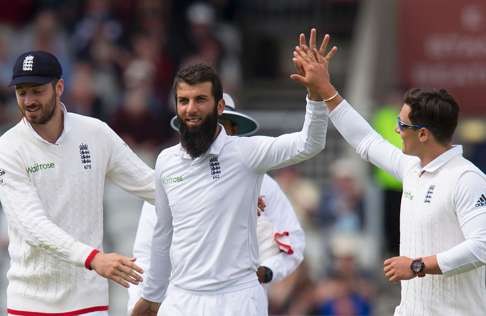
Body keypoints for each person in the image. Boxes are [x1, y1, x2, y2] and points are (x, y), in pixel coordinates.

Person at [132, 35, 336, 315]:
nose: (191, 109)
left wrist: (315, 94)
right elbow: (161, 236)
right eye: (184, 101)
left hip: (237, 299)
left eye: (200, 100)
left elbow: (309, 143)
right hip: (182, 298)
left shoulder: (246, 154)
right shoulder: (166, 162)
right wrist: (151, 297)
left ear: (218, 108)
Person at [293, 29, 486, 315]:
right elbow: (366, 141)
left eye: (402, 125)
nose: (396, 130)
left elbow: (481, 247)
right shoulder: (413, 168)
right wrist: (325, 90)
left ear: (423, 135)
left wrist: (417, 265)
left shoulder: (466, 179)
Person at [0, 50, 155, 315]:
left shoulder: (95, 133)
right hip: (30, 303)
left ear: (59, 87)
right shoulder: (8, 148)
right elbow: (32, 225)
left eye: (37, 90)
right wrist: (93, 259)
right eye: (21, 92)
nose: (28, 100)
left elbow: (152, 186)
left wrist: (236, 197)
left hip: (88, 303)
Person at [126, 93, 306, 313]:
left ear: (234, 130)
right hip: (183, 302)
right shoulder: (168, 176)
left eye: (222, 125)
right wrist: (140, 301)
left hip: (241, 302)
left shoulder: (264, 184)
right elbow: (146, 254)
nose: (215, 133)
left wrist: (267, 271)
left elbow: (292, 243)